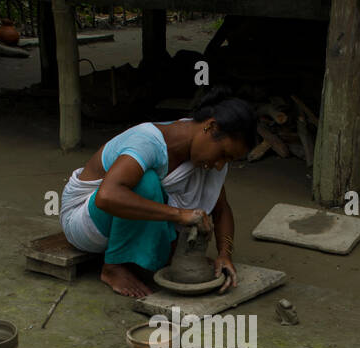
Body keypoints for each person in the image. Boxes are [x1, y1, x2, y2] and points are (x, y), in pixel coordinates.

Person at [59, 87, 257, 298]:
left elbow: (221, 208)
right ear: (210, 127)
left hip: (118, 221)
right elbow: (107, 196)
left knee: (159, 200)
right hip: (84, 221)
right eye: (223, 155)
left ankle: (138, 257)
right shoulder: (148, 141)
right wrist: (180, 214)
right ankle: (113, 268)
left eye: (228, 160)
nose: (220, 165)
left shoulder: (205, 162)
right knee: (146, 182)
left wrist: (224, 255)